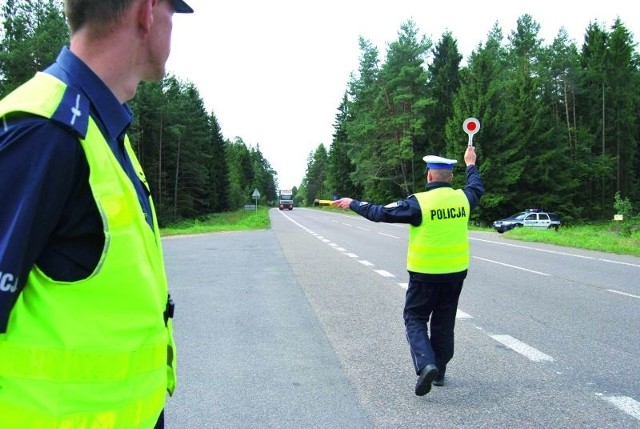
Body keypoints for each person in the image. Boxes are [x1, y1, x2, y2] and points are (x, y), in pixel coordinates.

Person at [0, 0, 193, 427]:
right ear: (147, 12)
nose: (173, 26)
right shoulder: (46, 131)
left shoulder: (102, 131)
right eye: (173, 12)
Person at [332, 146, 484, 397]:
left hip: (425, 274)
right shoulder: (463, 198)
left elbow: (380, 212)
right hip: (456, 273)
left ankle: (426, 364)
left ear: (429, 176)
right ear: (450, 178)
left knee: (415, 319)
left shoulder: (418, 203)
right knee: (444, 323)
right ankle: (441, 372)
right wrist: (471, 164)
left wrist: (353, 203)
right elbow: (477, 187)